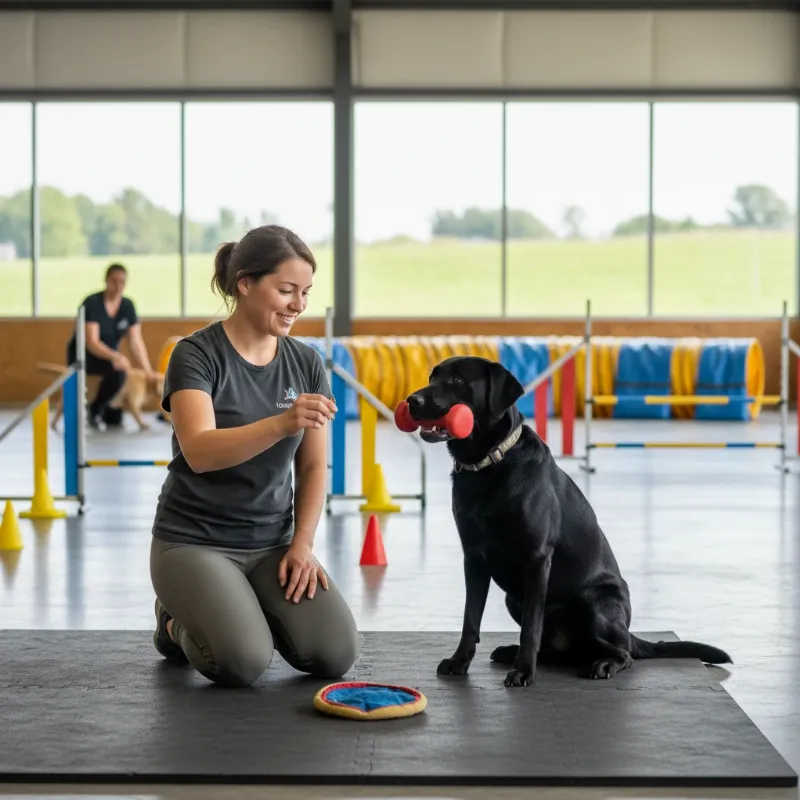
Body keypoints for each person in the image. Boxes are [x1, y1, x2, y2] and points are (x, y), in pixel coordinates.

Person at [149, 224, 360, 688]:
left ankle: (240, 603)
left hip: (273, 543)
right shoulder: (195, 355)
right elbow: (200, 451)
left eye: (305, 292)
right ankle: (173, 623)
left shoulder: (306, 362)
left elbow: (311, 466)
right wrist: (283, 422)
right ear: (245, 283)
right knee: (243, 662)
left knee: (335, 652)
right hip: (194, 541)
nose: (298, 305)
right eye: (286, 290)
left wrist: (302, 545)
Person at [67, 263, 156, 428]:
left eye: (122, 282)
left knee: (115, 421)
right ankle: (94, 409)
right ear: (106, 281)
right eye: (114, 281)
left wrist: (147, 370)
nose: (118, 286)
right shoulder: (92, 303)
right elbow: (91, 342)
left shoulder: (127, 306)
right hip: (84, 355)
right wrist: (116, 356)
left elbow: (135, 342)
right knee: (121, 370)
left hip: (108, 358)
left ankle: (106, 406)